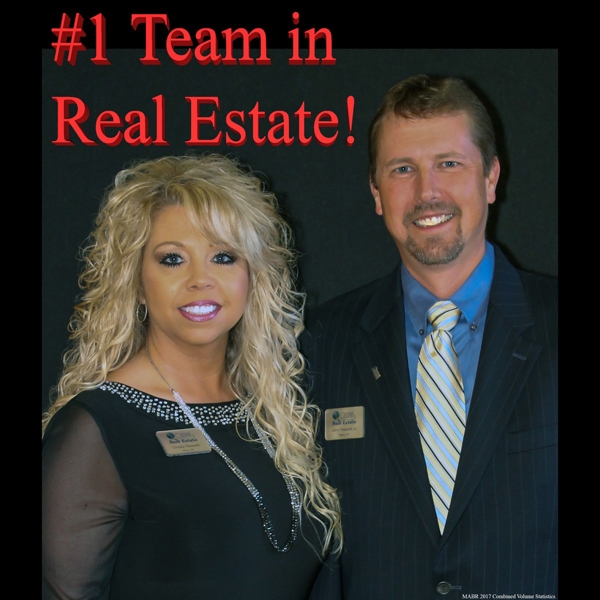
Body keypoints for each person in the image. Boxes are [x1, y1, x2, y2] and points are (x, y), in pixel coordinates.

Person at [42, 154, 342, 599]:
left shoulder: (274, 412)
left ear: (252, 276)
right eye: (172, 259)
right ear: (136, 282)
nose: (200, 279)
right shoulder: (95, 427)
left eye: (223, 256)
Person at [305, 75, 557, 599]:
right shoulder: (320, 343)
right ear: (376, 193)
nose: (427, 193)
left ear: (491, 177)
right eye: (403, 169)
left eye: (449, 163)